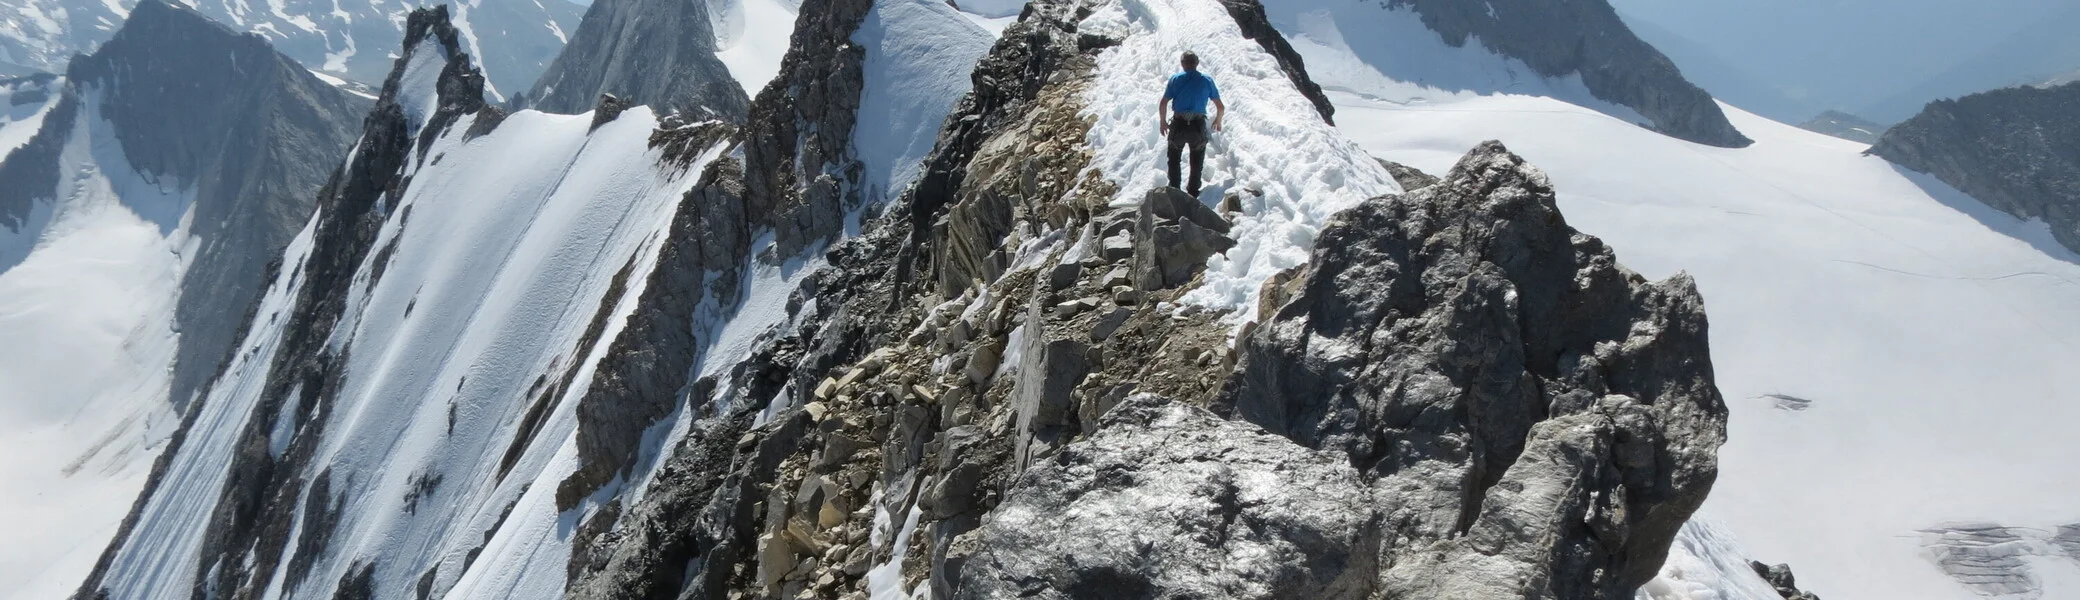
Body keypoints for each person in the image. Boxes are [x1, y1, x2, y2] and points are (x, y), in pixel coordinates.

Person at [1159, 51, 1225, 197]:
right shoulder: (1207, 80)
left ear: (1182, 64)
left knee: (1174, 158)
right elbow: (1220, 107)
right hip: (1197, 125)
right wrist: (1217, 121)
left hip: (1179, 124)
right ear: (1197, 63)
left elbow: (1164, 103)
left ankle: (1175, 191)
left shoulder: (1175, 79)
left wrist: (1163, 122)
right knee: (1197, 159)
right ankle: (1193, 191)